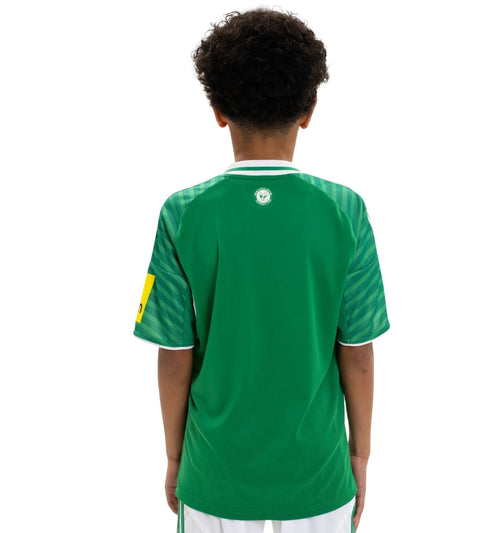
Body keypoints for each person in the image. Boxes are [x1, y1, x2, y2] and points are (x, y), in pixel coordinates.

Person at [133, 8, 390, 533]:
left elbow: (175, 355)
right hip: (319, 475)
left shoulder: (182, 213)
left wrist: (176, 458)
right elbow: (358, 352)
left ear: (218, 110)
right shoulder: (346, 210)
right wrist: (360, 455)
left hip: (214, 475)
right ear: (309, 110)